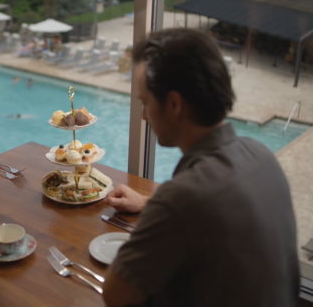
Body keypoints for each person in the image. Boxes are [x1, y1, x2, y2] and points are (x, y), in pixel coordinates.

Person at [102, 29, 299, 307]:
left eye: (145, 102)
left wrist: (160, 212)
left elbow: (115, 296)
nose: (144, 115)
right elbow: (218, 214)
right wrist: (150, 203)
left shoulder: (182, 199)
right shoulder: (261, 156)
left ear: (173, 104)